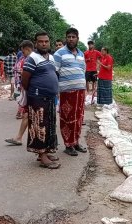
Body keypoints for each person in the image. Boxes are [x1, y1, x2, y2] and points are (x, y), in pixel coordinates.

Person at [22, 31, 60, 169]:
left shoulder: (51, 57)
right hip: (37, 98)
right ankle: (42, 156)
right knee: (39, 126)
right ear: (36, 43)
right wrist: (34, 91)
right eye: (41, 41)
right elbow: (25, 80)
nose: (44, 44)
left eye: (46, 41)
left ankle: (46, 151)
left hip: (50, 98)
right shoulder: (32, 58)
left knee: (49, 126)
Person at [54, 28, 87, 156]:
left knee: (78, 118)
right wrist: (56, 90)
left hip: (80, 91)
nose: (71, 39)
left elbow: (82, 70)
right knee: (67, 118)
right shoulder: (59, 53)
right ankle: (68, 145)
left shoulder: (81, 54)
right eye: (69, 37)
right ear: (66, 38)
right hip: (67, 92)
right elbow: (55, 72)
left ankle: (76, 142)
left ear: (77, 38)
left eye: (73, 37)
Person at [5, 40, 34, 145]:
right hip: (28, 89)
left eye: (23, 51)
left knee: (30, 115)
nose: (22, 53)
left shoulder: (32, 59)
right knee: (27, 114)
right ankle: (19, 138)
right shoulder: (25, 59)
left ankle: (36, 142)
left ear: (27, 49)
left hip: (33, 91)